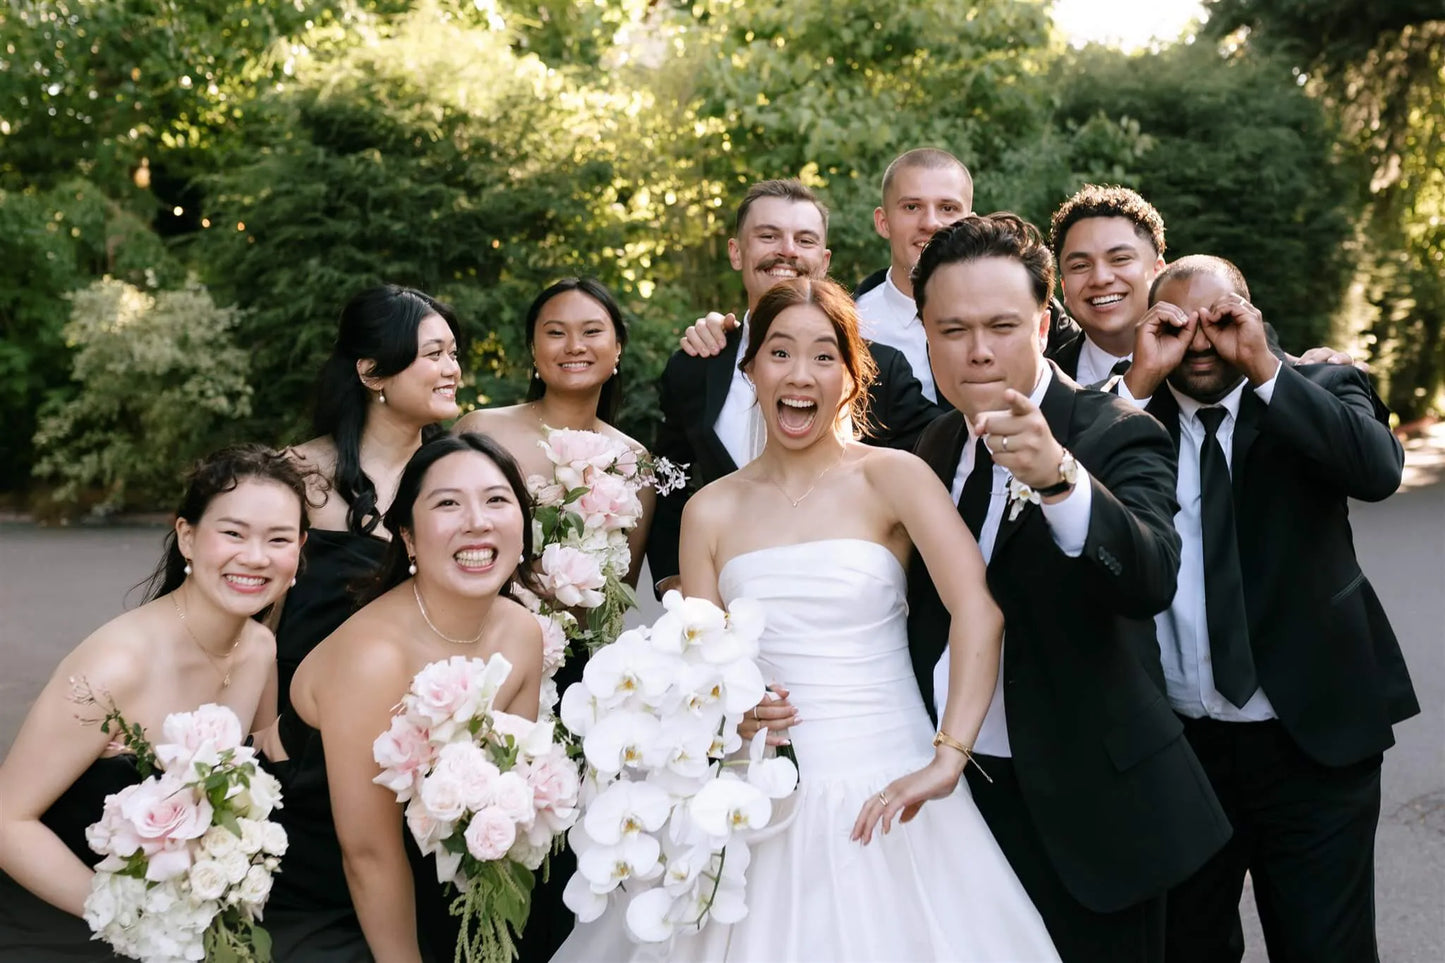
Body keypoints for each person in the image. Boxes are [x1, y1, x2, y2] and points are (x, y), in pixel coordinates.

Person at [554, 277, 1059, 961]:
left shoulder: (895, 476)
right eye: (780, 352)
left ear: (853, 376)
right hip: (760, 790)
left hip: (894, 776)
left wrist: (949, 755)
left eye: (824, 355)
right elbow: (700, 668)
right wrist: (734, 712)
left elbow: (978, 608)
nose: (800, 374)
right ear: (751, 367)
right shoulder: (709, 509)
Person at [902, 214, 1232, 962]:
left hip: (1093, 812)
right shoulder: (930, 444)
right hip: (956, 801)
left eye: (1000, 325)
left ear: (1042, 322)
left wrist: (1058, 479)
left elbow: (1149, 575)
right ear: (924, 331)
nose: (977, 349)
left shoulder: (1115, 430)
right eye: (952, 329)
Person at [1114, 255, 1417, 962]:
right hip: (1180, 749)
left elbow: (1376, 470)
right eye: (1176, 324)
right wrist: (1135, 379)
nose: (1199, 341)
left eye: (1219, 320)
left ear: (1249, 316)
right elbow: (1069, 505)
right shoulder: (1124, 411)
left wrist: (1264, 365)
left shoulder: (1316, 385)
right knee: (1187, 947)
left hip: (1311, 744)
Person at [0, 445, 309, 959]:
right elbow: (8, 821)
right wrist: (132, 919)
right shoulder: (117, 666)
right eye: (232, 533)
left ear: (300, 549)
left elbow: (253, 776)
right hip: (63, 916)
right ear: (187, 536)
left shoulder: (260, 648)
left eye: (278, 539)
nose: (256, 557)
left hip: (188, 922)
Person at [259, 433, 543, 963]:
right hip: (316, 884)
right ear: (408, 538)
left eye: (497, 500)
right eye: (448, 503)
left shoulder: (523, 632)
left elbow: (509, 800)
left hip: (428, 869)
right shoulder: (375, 657)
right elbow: (366, 854)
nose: (477, 520)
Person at [647, 178, 939, 596]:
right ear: (736, 252)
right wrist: (671, 578)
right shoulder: (695, 366)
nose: (786, 251)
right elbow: (668, 480)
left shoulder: (879, 367)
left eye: (803, 240)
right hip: (726, 608)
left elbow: (944, 453)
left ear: (823, 261)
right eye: (768, 236)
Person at [275, 285, 465, 718]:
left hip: (424, 716)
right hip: (302, 717)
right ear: (372, 373)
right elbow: (257, 617)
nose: (452, 369)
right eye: (434, 355)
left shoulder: (457, 476)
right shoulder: (295, 474)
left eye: (453, 354)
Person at [453, 277, 654, 587]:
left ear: (618, 347)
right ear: (534, 349)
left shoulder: (632, 459)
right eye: (556, 333)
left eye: (591, 331)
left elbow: (620, 593)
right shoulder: (481, 431)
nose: (574, 346)